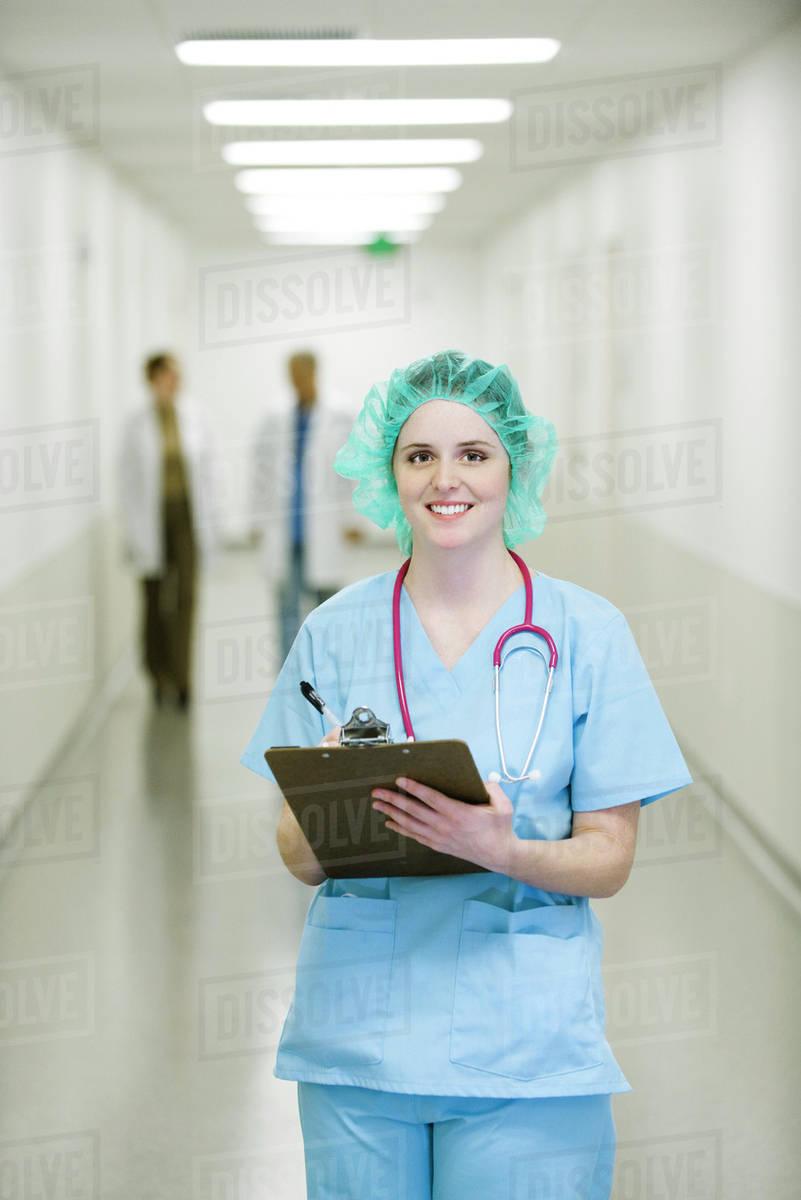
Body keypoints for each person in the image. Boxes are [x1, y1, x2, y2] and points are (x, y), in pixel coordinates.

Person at [240, 351, 692, 1199]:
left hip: (526, 1050)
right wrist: (332, 802)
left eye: (473, 454)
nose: (446, 478)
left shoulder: (587, 634)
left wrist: (504, 849)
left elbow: (609, 858)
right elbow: (296, 855)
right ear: (390, 473)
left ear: (512, 466)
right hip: (357, 1048)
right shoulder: (335, 633)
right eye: (419, 456)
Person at [118, 352, 218, 709]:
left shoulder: (193, 416)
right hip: (151, 521)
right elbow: (127, 482)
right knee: (153, 603)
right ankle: (157, 674)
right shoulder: (136, 423)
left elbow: (207, 473)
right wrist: (131, 533)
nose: (174, 380)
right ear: (153, 378)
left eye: (177, 374)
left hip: (186, 519)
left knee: (186, 600)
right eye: (167, 374)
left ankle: (182, 679)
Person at [250, 351, 363, 662]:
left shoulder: (340, 412)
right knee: (286, 603)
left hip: (323, 527)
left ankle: (322, 668)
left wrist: (354, 519)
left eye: (301, 373)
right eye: (291, 373)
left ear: (314, 372)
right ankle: (289, 671)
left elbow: (352, 469)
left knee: (325, 603)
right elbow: (260, 470)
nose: (296, 380)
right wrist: (257, 520)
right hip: (286, 528)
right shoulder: (275, 416)